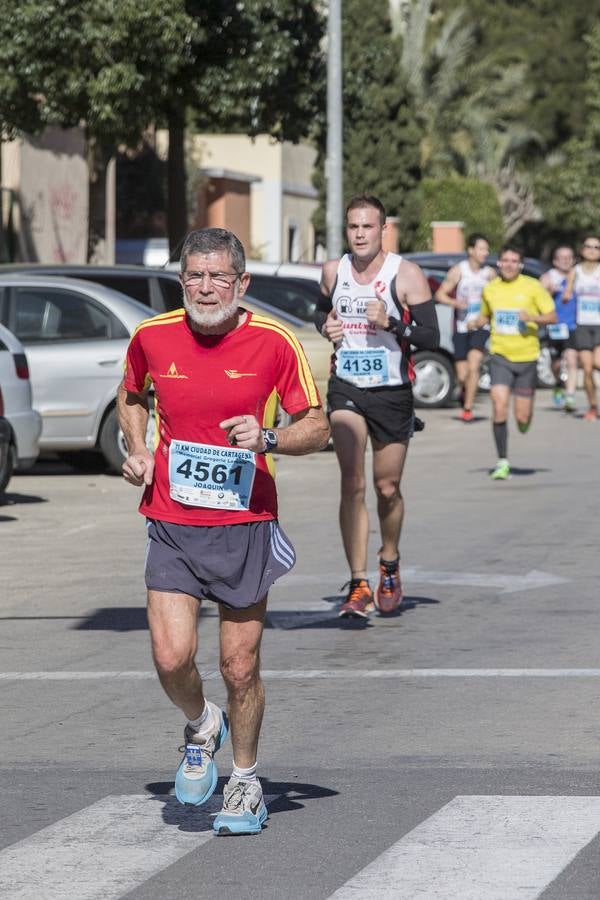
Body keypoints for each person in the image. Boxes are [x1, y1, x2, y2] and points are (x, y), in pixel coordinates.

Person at [118, 227, 329, 835]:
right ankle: (202, 723)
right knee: (170, 657)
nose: (206, 288)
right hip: (172, 519)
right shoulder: (152, 336)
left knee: (239, 666)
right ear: (181, 280)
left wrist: (269, 437)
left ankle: (245, 780)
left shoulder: (275, 341)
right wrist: (139, 449)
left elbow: (316, 425)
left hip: (245, 524)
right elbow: (131, 394)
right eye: (194, 276)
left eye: (218, 277)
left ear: (242, 283)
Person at [314, 194, 439, 620]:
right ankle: (358, 582)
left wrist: (393, 324)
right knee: (352, 482)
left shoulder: (406, 274)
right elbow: (319, 312)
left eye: (368, 226)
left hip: (391, 392)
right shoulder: (333, 271)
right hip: (347, 387)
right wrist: (325, 325)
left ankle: (389, 560)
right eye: (353, 227)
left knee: (387, 488)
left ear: (383, 229)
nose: (360, 234)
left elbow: (431, 337)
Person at [468, 244, 557, 480]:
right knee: (499, 407)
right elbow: (485, 315)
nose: (509, 265)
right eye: (505, 261)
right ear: (499, 263)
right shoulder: (490, 289)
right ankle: (502, 461)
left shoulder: (533, 287)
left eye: (514, 261)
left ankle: (525, 419)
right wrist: (475, 322)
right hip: (500, 356)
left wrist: (532, 317)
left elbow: (552, 316)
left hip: (527, 358)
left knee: (522, 418)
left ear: (521, 264)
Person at [435, 233, 495, 421]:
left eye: (487, 249)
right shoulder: (459, 270)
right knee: (462, 375)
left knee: (474, 365)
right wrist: (455, 303)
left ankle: (467, 409)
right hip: (461, 326)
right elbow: (440, 295)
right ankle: (465, 391)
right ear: (471, 250)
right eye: (481, 248)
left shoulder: (489, 274)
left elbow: (498, 299)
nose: (485, 252)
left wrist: (486, 316)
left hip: (481, 326)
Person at [563, 235, 600, 420]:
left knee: (597, 362)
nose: (592, 250)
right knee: (586, 368)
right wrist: (565, 295)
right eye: (588, 246)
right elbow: (566, 294)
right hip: (582, 325)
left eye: (596, 247)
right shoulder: (575, 271)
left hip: (599, 325)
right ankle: (593, 406)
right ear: (582, 250)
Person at [539, 246, 577, 412]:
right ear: (555, 261)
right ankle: (558, 384)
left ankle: (570, 397)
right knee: (555, 364)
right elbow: (537, 300)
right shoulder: (548, 277)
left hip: (573, 325)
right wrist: (548, 292)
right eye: (562, 257)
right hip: (554, 326)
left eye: (569, 257)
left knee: (571, 359)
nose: (566, 260)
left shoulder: (578, 276)